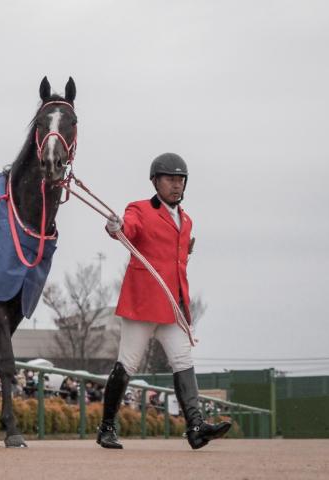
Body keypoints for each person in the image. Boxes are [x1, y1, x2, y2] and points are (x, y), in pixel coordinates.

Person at [96, 153, 231, 450]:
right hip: (143, 304)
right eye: (170, 179)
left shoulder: (187, 220)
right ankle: (106, 427)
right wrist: (115, 227)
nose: (176, 184)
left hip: (173, 307)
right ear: (155, 181)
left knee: (183, 361)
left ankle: (195, 427)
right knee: (127, 364)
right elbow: (126, 229)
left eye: (180, 179)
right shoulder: (139, 209)